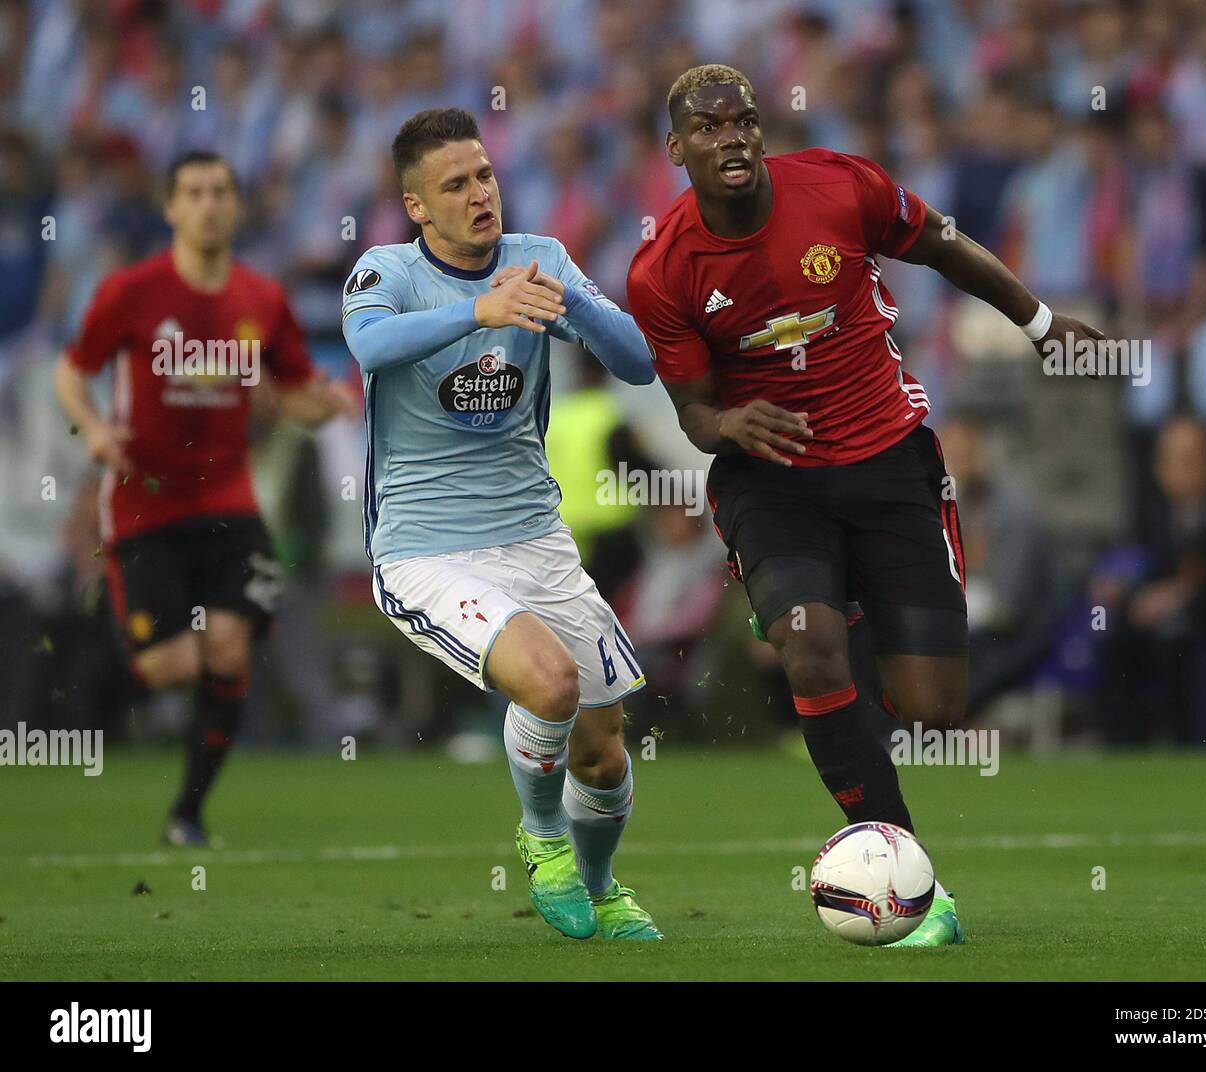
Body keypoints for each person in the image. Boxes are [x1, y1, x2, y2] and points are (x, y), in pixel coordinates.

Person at [626, 65, 1105, 946]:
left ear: (760, 131)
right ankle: (909, 876)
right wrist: (729, 419)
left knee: (932, 710)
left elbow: (948, 246)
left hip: (888, 461)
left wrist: (1040, 323)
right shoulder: (663, 271)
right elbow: (693, 413)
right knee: (810, 651)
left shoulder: (844, 187)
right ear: (677, 149)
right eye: (708, 127)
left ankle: (848, 608)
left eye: (743, 121)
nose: (730, 137)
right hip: (771, 479)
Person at [342, 108, 660, 941]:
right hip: (426, 551)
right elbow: (370, 349)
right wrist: (479, 312)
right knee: (549, 682)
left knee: (604, 747)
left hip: (537, 541)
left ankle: (600, 884)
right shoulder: (385, 271)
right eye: (455, 185)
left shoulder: (540, 259)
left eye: (483, 174)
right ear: (417, 208)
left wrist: (575, 313)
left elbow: (637, 360)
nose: (480, 194)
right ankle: (543, 838)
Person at [54, 151, 357, 846]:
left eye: (221, 190)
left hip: (227, 499)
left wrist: (328, 402)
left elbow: (296, 390)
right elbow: (73, 373)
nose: (210, 204)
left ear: (237, 205)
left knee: (227, 649)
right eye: (194, 192)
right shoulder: (132, 291)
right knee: (167, 667)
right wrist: (96, 428)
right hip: (144, 505)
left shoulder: (262, 299)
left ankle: (187, 817)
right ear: (171, 209)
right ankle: (128, 634)